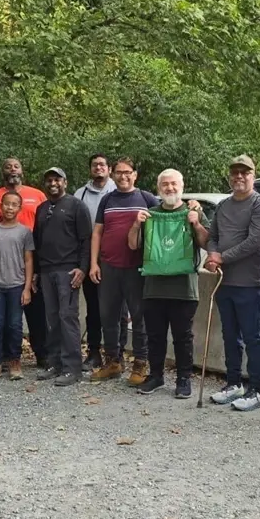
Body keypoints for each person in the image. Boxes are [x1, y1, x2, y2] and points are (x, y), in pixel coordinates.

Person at [129, 169, 210, 398]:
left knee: (183, 337)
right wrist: (136, 224)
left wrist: (196, 224)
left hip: (184, 288)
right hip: (153, 288)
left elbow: (206, 243)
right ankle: (155, 376)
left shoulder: (193, 211)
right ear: (159, 189)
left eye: (174, 184)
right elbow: (133, 245)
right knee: (154, 335)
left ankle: (184, 379)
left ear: (182, 186)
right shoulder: (149, 215)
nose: (170, 188)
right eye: (165, 185)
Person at [205, 155, 260, 411]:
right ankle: (233, 383)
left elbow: (254, 242)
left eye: (244, 173)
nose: (239, 177)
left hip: (250, 282)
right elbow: (213, 236)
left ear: (253, 176)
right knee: (230, 335)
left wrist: (221, 257)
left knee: (252, 336)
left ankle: (256, 388)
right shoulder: (223, 205)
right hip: (225, 281)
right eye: (235, 173)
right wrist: (213, 255)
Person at [89, 158, 158, 383]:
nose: (123, 176)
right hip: (109, 267)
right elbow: (97, 233)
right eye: (118, 172)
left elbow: (168, 217)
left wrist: (193, 206)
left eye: (127, 172)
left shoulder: (146, 198)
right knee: (108, 316)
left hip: (137, 269)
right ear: (112, 174)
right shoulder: (107, 200)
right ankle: (113, 362)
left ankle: (139, 365)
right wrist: (94, 263)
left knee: (139, 317)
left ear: (135, 174)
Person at [0, 158, 49, 370]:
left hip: (32, 261)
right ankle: (2, 358)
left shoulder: (37, 195)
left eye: (16, 166)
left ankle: (41, 354)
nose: (12, 169)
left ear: (22, 170)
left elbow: (46, 227)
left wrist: (38, 267)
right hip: (2, 267)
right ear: (2, 172)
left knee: (36, 313)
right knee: (0, 319)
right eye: (8, 166)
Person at [35, 167, 91, 386]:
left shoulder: (76, 206)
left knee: (68, 317)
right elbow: (38, 242)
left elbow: (86, 240)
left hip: (68, 270)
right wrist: (37, 273)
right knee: (52, 318)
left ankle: (72, 367)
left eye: (57, 179)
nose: (53, 183)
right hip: (47, 271)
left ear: (65, 182)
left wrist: (83, 268)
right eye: (49, 180)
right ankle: (55, 362)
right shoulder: (42, 208)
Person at [0, 191, 36, 380]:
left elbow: (29, 260)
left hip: (16, 285)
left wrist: (27, 287)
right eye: (7, 204)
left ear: (20, 208)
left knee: (14, 325)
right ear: (0, 206)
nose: (10, 208)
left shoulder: (25, 232)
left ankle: (14, 361)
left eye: (14, 205)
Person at [74, 153, 117, 368]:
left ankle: (114, 355)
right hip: (89, 257)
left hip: (115, 258)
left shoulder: (118, 191)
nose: (98, 168)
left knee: (116, 308)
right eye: (94, 165)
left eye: (102, 165)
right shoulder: (79, 194)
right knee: (93, 308)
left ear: (109, 169)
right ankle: (93, 352)